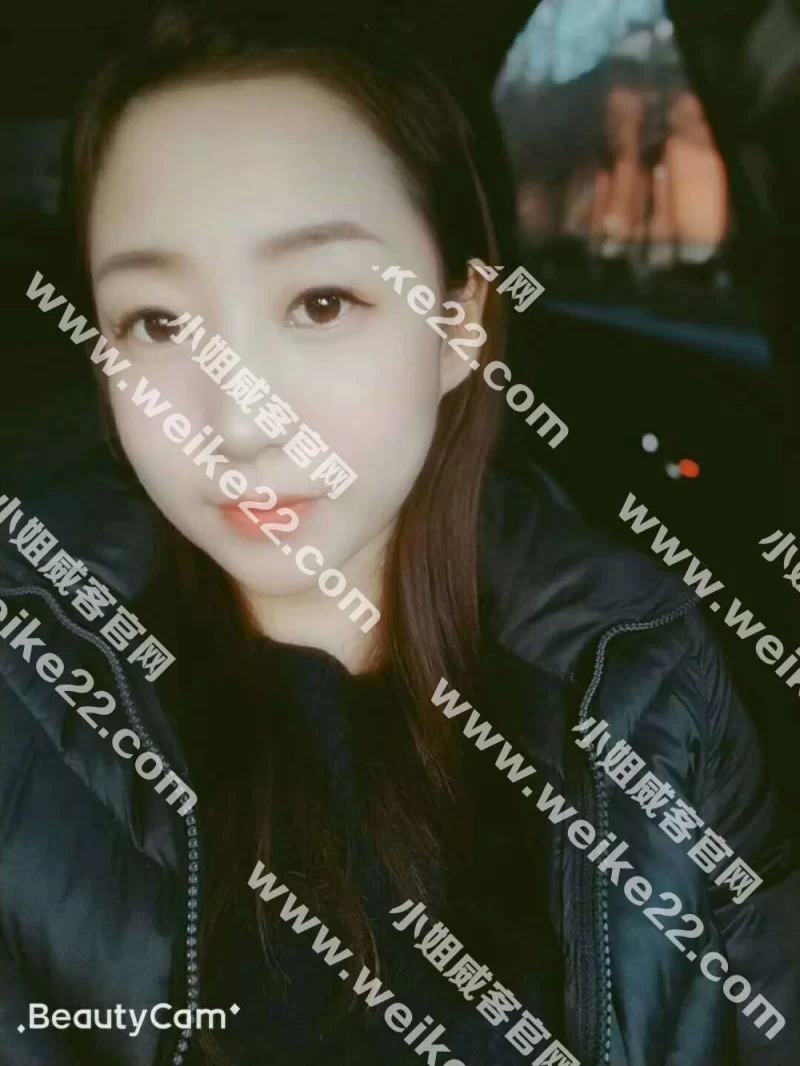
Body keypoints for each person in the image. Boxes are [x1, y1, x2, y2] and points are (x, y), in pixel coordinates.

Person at [1, 3, 798, 1065]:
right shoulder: (27, 690)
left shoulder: (643, 666)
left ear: (458, 325)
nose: (238, 420)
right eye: (156, 322)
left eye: (322, 302)